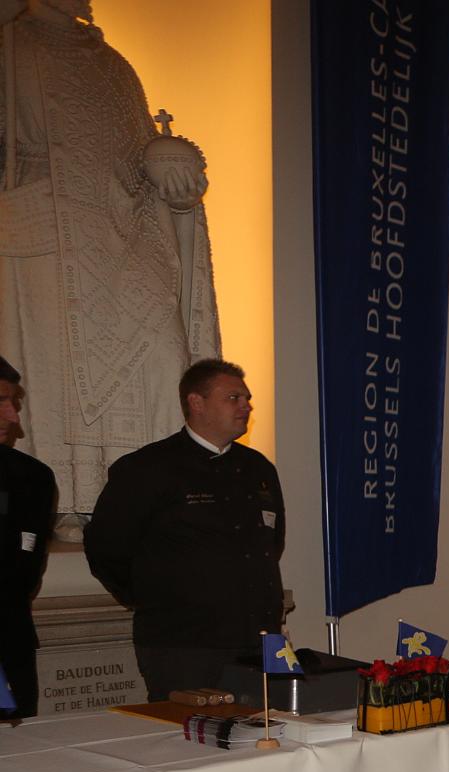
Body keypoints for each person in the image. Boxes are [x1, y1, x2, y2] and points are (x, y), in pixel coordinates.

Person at [0, 0, 222, 520]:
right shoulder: (13, 44)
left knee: (166, 353)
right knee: (53, 375)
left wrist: (170, 171)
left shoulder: (113, 63)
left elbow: (137, 151)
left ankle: (151, 500)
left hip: (124, 231)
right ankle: (67, 504)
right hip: (43, 233)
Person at [84, 360, 284, 701]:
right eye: (233, 397)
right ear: (196, 402)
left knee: (264, 741)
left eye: (247, 398)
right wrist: (155, 596)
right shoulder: (148, 468)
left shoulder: (258, 468)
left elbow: (271, 543)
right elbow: (107, 548)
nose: (246, 406)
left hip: (257, 640)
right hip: (182, 644)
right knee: (188, 743)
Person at [0, 357, 56, 719]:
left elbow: (25, 571)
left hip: (9, 647)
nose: (13, 417)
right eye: (1, 403)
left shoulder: (31, 477)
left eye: (13, 402)